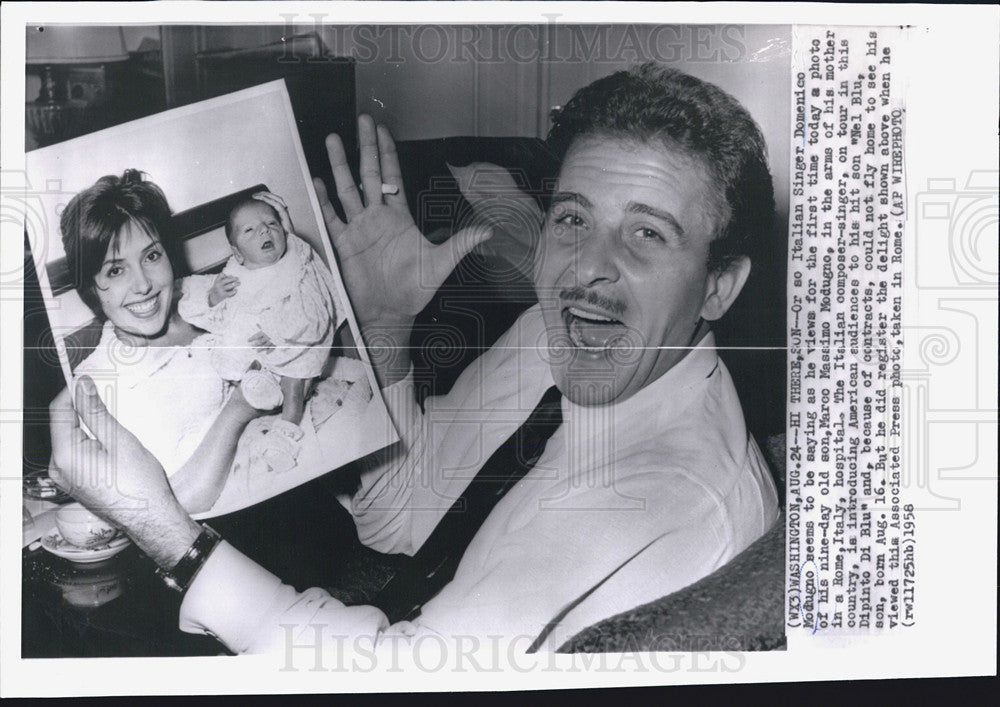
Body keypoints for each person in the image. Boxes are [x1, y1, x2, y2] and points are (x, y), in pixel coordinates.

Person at [50, 64, 780, 655]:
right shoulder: (555, 335)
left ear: (720, 283)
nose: (588, 268)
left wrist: (174, 541)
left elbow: (397, 676)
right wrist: (387, 330)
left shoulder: (653, 498)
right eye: (572, 217)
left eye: (647, 234)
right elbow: (400, 518)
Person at [59, 170, 266, 513]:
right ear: (90, 288)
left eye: (152, 256)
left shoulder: (200, 300)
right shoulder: (101, 385)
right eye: (115, 270)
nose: (143, 284)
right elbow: (173, 506)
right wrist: (240, 408)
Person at [177, 193, 342, 471]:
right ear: (238, 253)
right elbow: (216, 319)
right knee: (242, 360)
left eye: (272, 223)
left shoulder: (294, 269)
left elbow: (313, 315)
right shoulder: (234, 276)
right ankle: (264, 387)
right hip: (259, 356)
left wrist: (277, 336)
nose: (264, 230)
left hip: (296, 346)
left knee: (293, 383)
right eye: (250, 230)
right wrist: (214, 298)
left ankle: (285, 436)